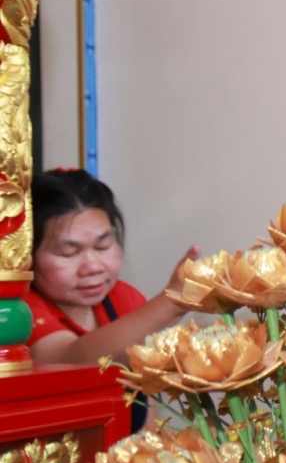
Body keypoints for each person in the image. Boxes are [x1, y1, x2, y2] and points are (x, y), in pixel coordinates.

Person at [27, 170, 195, 402]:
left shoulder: (124, 297)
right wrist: (173, 301)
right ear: (26, 256)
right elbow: (68, 361)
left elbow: (146, 404)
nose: (93, 267)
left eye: (103, 246)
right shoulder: (20, 310)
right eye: (68, 252)